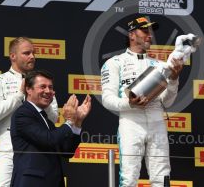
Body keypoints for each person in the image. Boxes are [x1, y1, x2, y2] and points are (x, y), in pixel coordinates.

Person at [101, 16, 183, 187]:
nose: (149, 35)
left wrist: (174, 79)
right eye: (145, 31)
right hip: (131, 124)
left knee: (162, 177)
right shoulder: (114, 63)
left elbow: (167, 102)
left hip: (157, 123)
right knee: (129, 178)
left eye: (151, 32)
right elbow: (107, 99)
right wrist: (129, 104)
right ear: (132, 35)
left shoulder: (160, 65)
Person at [0, 37, 58, 187]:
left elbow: (54, 118)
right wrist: (20, 95)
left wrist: (45, 101)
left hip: (36, 149)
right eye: (26, 53)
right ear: (13, 56)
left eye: (33, 53)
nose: (32, 56)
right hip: (8, 147)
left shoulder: (43, 84)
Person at [10, 70, 91, 187]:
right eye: (42, 86)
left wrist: (77, 122)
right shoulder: (23, 114)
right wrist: (69, 121)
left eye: (50, 87)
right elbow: (49, 139)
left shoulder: (47, 121)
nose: (48, 91)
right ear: (28, 89)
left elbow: (66, 151)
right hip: (32, 182)